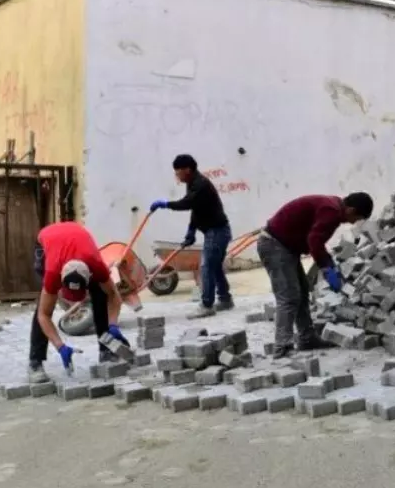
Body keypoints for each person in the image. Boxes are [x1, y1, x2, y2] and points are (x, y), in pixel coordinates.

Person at [258, 192, 374, 359]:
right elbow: (314, 241)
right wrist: (327, 269)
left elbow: (314, 239)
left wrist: (330, 266)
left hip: (286, 247)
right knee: (289, 296)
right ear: (351, 210)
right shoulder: (332, 211)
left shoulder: (333, 206)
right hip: (274, 245)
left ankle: (307, 338)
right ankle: (282, 347)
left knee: (302, 291)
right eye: (356, 218)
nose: (354, 222)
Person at [28, 221, 128, 383]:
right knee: (44, 304)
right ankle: (35, 362)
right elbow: (43, 315)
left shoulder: (96, 265)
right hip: (47, 241)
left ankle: (106, 350)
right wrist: (60, 346)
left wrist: (113, 326)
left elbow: (114, 295)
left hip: (79, 244)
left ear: (89, 277)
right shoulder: (53, 272)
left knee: (101, 295)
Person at [150, 154, 232, 319]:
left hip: (217, 231)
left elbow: (187, 204)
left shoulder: (200, 184)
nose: (176, 175)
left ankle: (207, 306)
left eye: (178, 171)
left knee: (206, 266)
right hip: (215, 231)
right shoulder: (192, 183)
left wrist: (166, 204)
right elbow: (196, 210)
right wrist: (191, 231)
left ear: (187, 170)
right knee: (214, 266)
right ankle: (225, 299)